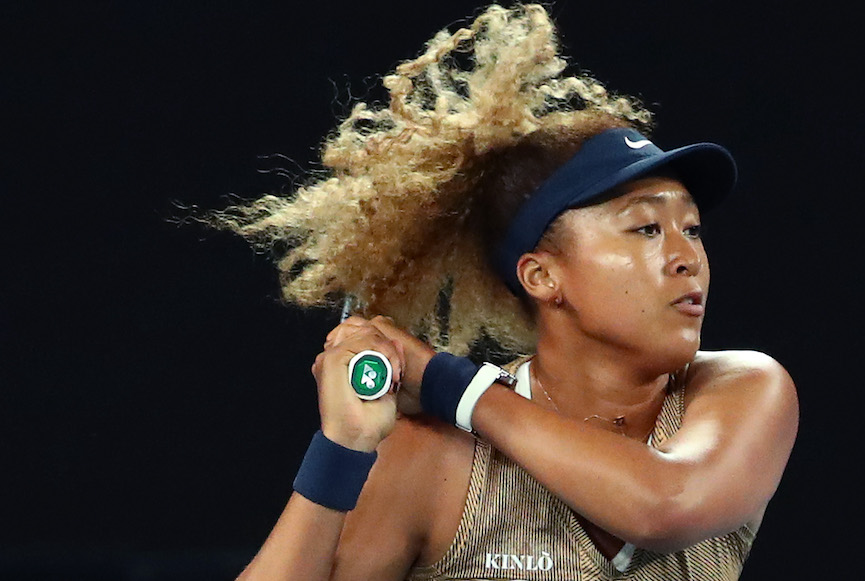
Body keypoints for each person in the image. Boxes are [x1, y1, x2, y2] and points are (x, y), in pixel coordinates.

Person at [217, 4, 798, 580]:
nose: (687, 257)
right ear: (542, 277)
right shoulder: (435, 457)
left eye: (691, 229)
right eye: (646, 228)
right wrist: (342, 447)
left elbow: (665, 505)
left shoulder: (742, 390)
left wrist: (446, 382)